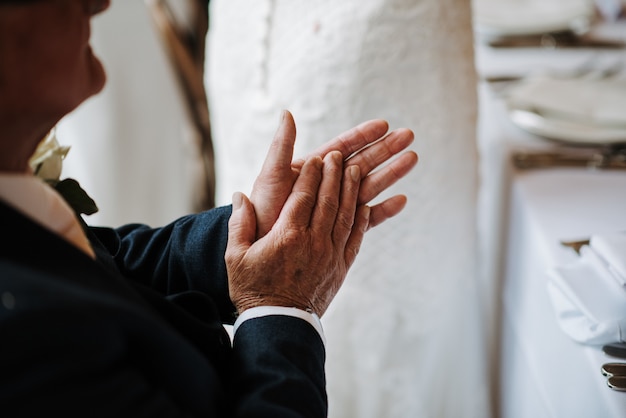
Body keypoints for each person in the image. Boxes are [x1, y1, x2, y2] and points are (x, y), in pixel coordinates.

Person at [0, 1, 417, 417]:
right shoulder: (25, 344)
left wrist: (250, 229)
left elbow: (108, 261)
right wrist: (281, 307)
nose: (99, 4)